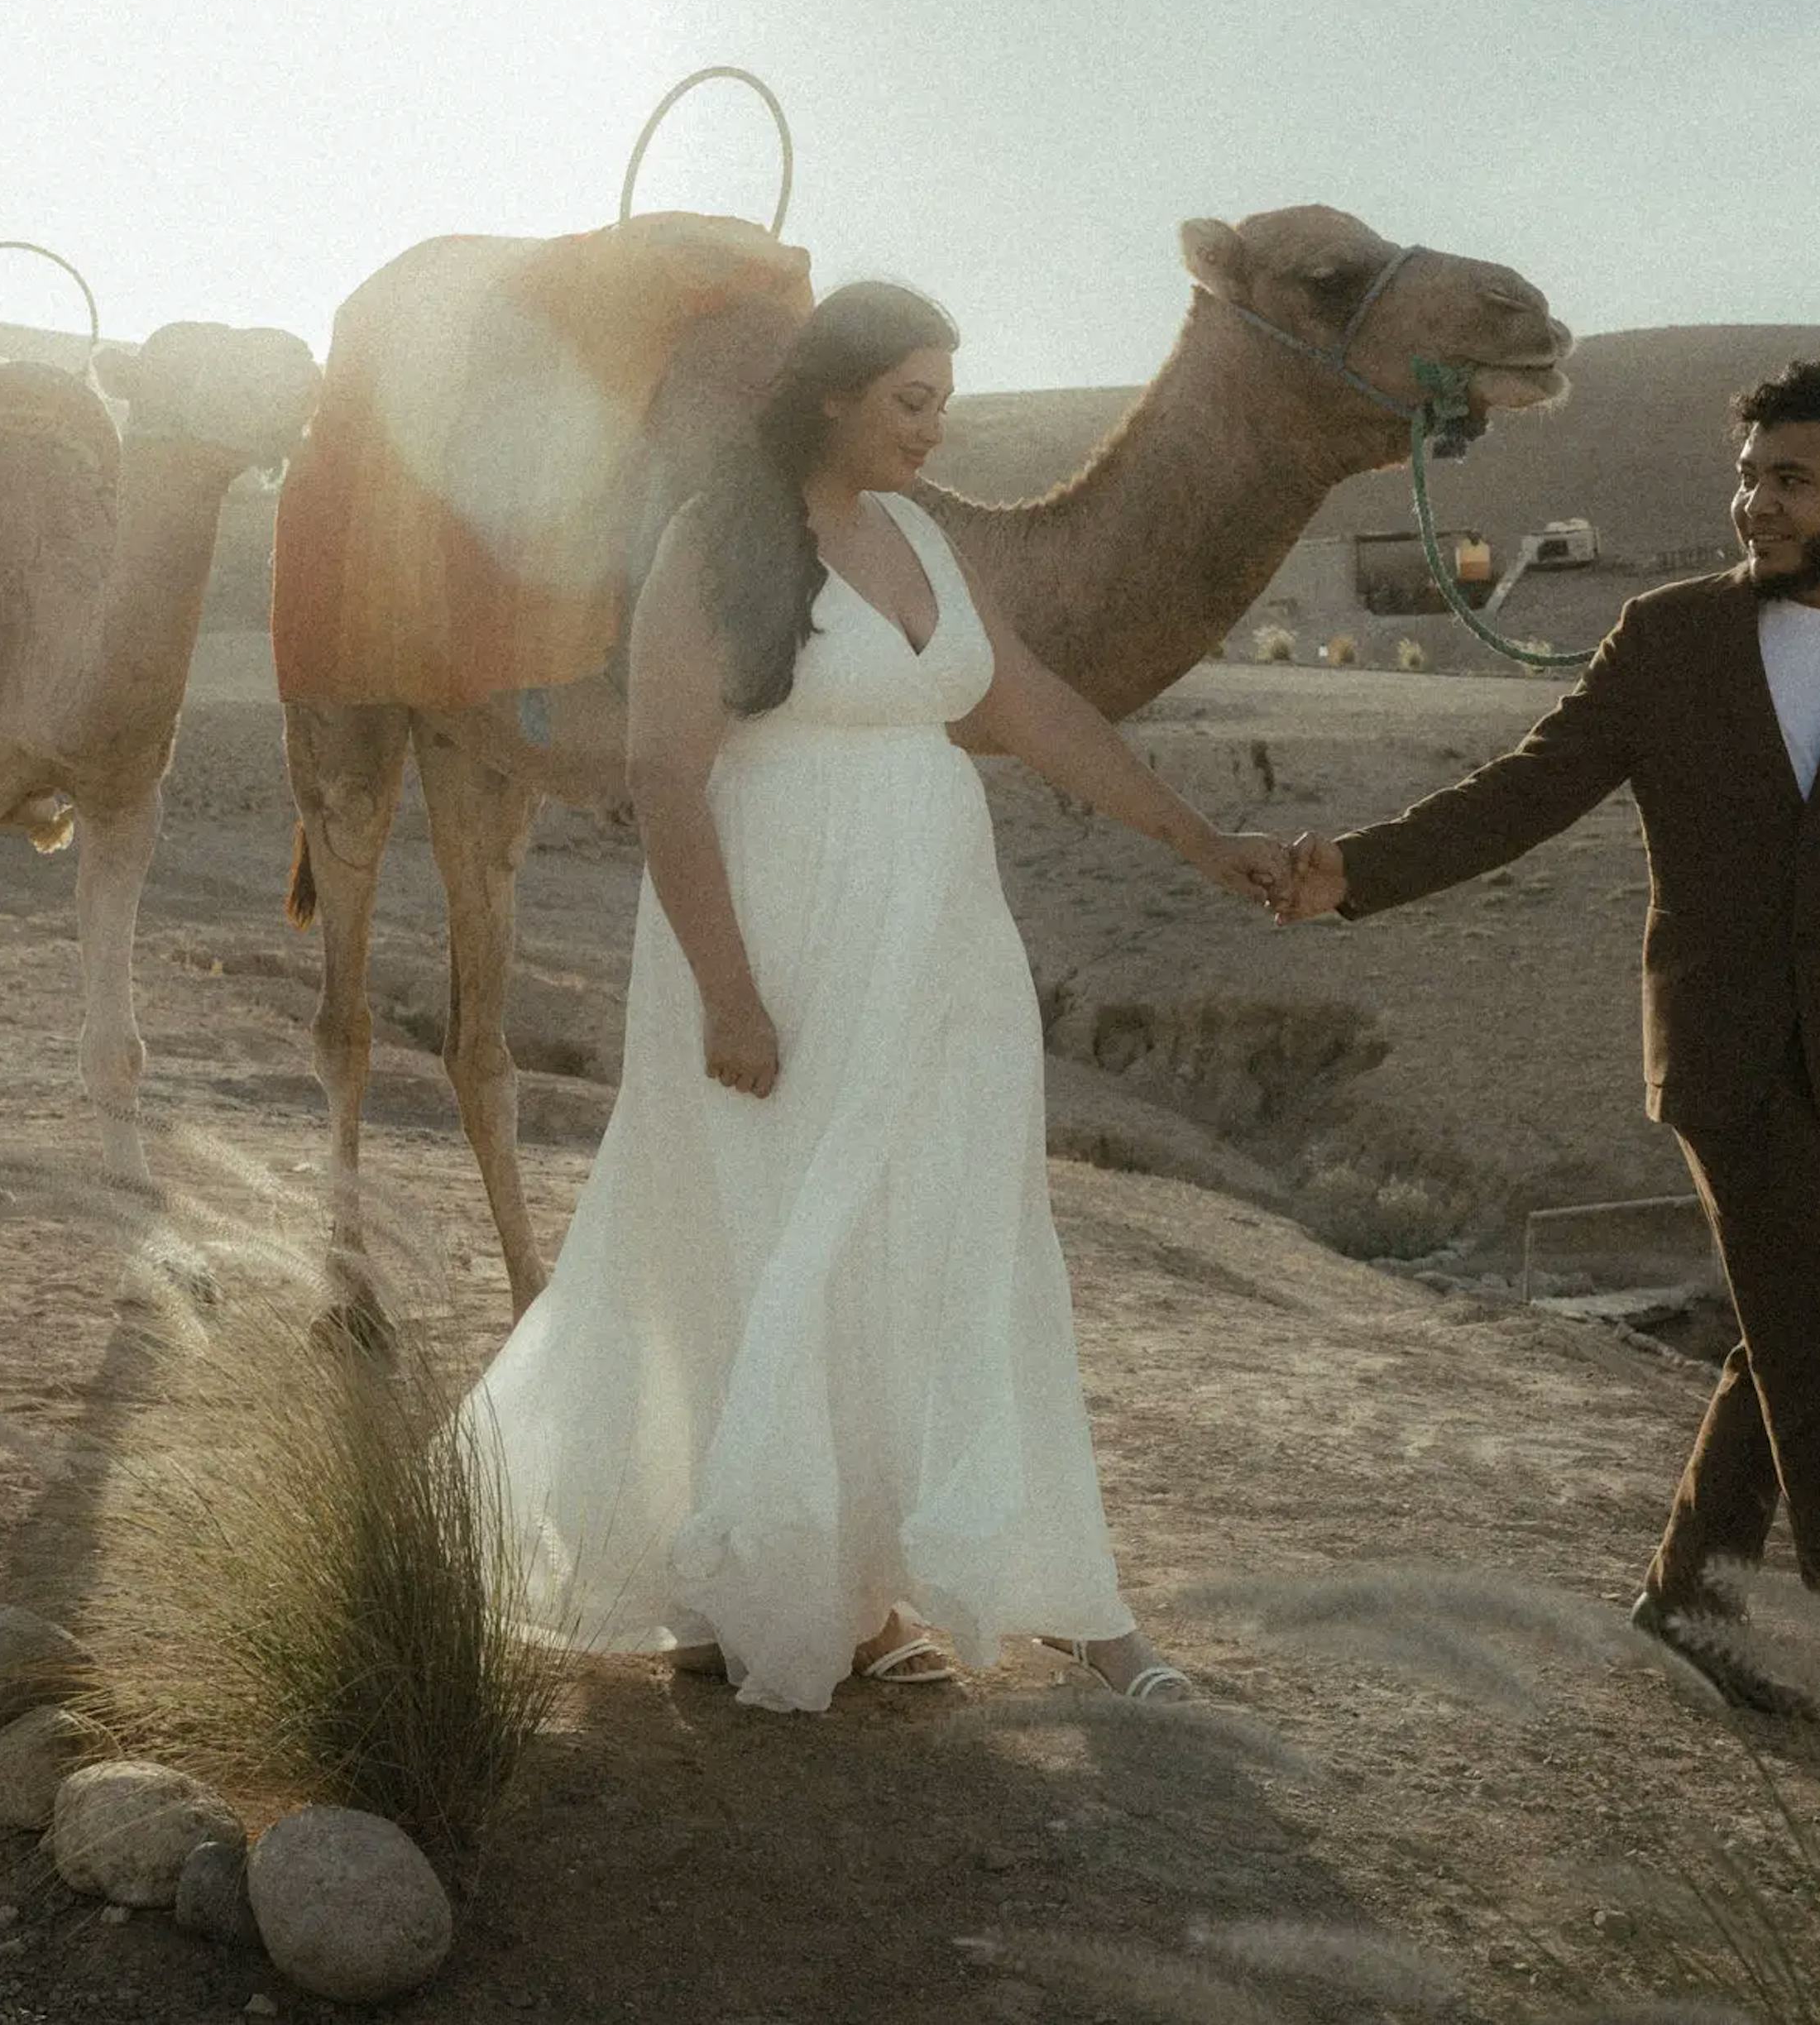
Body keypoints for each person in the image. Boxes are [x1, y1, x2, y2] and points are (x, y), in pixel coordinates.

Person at [457, 281, 1292, 1714]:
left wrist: (1198, 839)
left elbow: (1029, 706)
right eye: (910, 402)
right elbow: (667, 771)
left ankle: (1063, 1606)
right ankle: (776, 1587)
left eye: (943, 404)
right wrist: (730, 992)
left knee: (970, 1240)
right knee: (769, 1247)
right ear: (832, 395)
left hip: (943, 956)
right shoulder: (720, 543)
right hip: (776, 950)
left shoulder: (920, 536)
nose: (933, 429)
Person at [1279, 361, 1820, 1742]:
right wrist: (1350, 876)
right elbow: (1527, 791)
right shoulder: (1666, 640)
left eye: (1789, 480)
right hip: (1734, 1068)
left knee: (1794, 1356)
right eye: (1747, 478)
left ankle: (1686, 1606)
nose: (1753, 506)